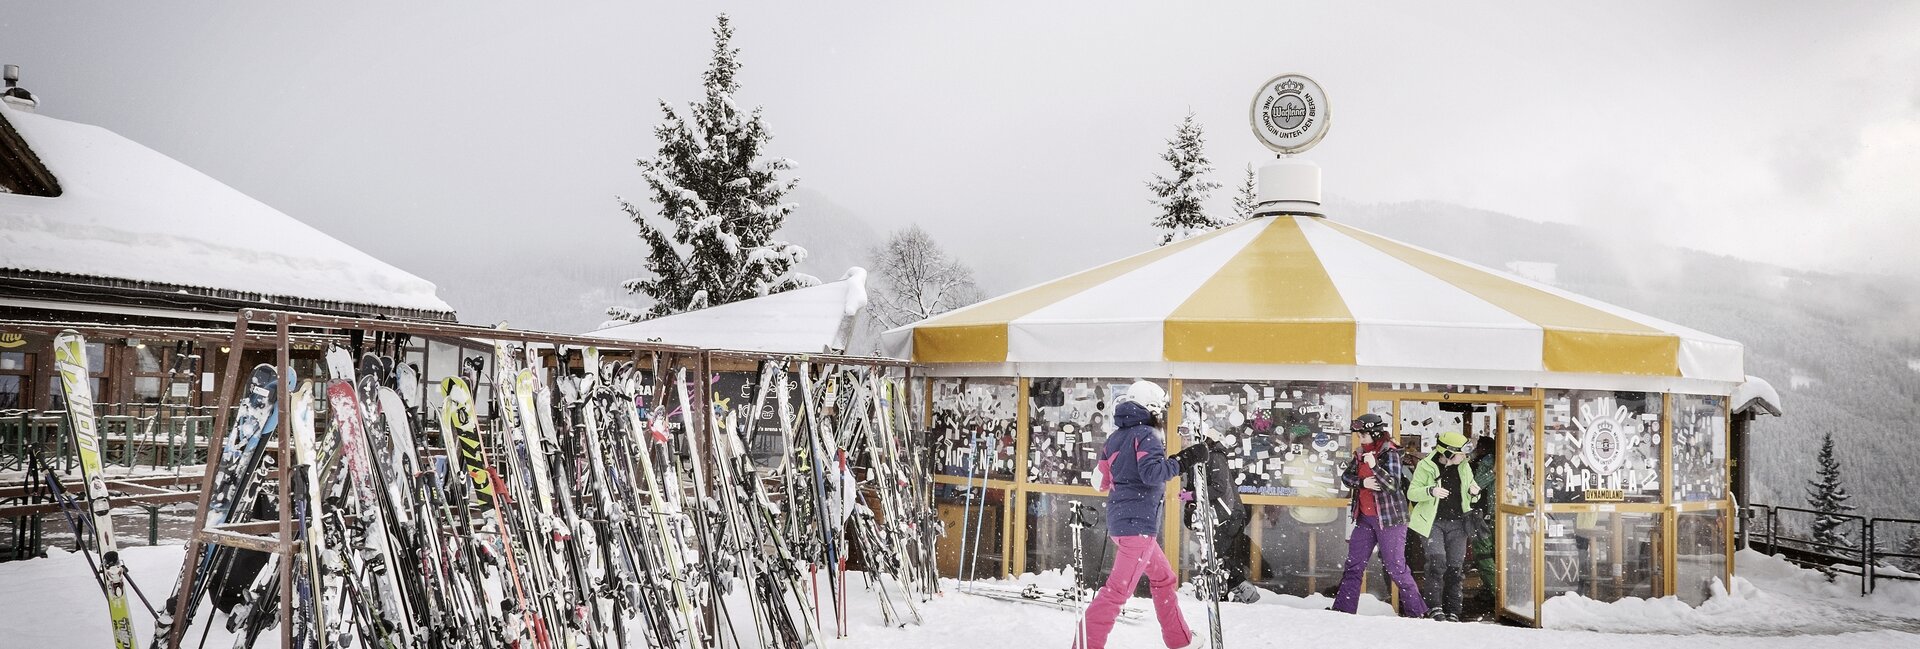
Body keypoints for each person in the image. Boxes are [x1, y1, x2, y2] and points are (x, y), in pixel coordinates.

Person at [1075, 380, 1194, 649]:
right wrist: (1184, 460)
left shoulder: (1115, 437)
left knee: (1164, 579)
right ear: (1151, 407)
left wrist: (1123, 471)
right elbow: (1152, 474)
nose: (1161, 415)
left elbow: (1100, 482)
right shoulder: (1147, 434)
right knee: (1116, 592)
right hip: (1138, 527)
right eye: (1160, 409)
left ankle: (1179, 640)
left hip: (1122, 524)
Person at [1332, 413, 1435, 619]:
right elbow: (1346, 477)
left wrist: (1374, 467)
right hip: (1365, 518)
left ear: (1375, 433)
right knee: (1354, 564)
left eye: (1363, 435)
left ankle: (1418, 612)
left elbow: (1392, 484)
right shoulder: (1360, 453)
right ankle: (1343, 611)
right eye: (1359, 435)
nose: (1360, 439)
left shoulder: (1391, 453)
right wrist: (1362, 482)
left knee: (1395, 567)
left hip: (1390, 519)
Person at [1173, 425, 1260, 603]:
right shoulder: (1196, 459)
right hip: (1214, 516)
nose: (1184, 442)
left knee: (1217, 559)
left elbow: (1219, 488)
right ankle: (1225, 594)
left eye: (1188, 438)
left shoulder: (1214, 456)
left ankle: (1241, 592)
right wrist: (1190, 505)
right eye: (1184, 438)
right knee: (1215, 558)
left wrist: (1193, 495)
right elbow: (1195, 487)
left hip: (1227, 516)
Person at [1408, 430, 1481, 622]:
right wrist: (1430, 491)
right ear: (1448, 453)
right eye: (1460, 453)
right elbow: (1412, 493)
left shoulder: (1464, 467)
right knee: (1436, 563)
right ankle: (1434, 607)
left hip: (1459, 523)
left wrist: (1475, 493)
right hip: (1432, 523)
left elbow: (1472, 495)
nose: (1464, 457)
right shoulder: (1426, 466)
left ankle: (1453, 610)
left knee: (1455, 568)